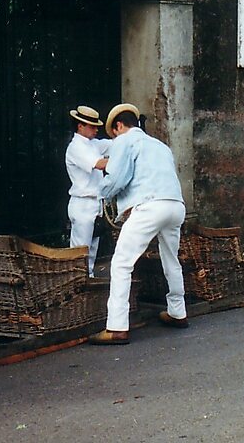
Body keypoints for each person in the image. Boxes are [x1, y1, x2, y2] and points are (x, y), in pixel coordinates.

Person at [89, 104, 187, 345]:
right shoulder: (160, 145)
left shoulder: (123, 142)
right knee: (171, 259)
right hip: (175, 205)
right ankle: (178, 312)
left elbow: (118, 178)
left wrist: (101, 193)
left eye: (113, 133)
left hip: (150, 205)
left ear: (118, 126)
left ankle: (117, 326)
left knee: (121, 263)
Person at [65, 105, 112, 277]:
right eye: (92, 126)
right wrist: (120, 161)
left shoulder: (93, 144)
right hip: (82, 202)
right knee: (80, 252)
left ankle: (88, 284)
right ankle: (77, 284)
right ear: (80, 126)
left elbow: (114, 145)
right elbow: (99, 164)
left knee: (92, 251)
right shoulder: (76, 147)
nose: (96, 129)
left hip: (95, 203)